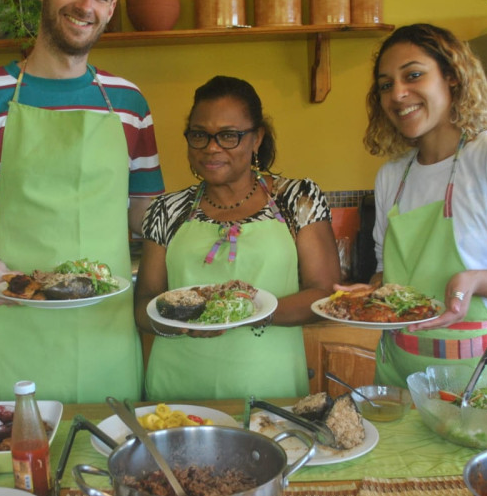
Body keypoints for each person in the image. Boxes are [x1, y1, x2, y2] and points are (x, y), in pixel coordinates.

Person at [0, 0, 164, 404]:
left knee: (111, 461)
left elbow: (145, 214)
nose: (84, 5)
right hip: (18, 321)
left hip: (106, 331)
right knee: (21, 464)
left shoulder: (130, 103)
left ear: (111, 8)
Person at [342, 23, 487, 387]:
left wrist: (473, 280)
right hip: (396, 370)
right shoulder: (392, 176)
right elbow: (389, 273)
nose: (398, 94)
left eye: (413, 75)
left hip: (474, 375)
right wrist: (373, 292)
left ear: (453, 79)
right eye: (386, 84)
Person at [135, 76, 341, 401]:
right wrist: (179, 324)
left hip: (270, 387)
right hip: (178, 387)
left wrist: (238, 313)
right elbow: (145, 302)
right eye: (199, 135)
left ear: (256, 138)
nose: (211, 147)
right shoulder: (167, 209)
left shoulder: (297, 199)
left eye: (228, 136)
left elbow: (324, 294)